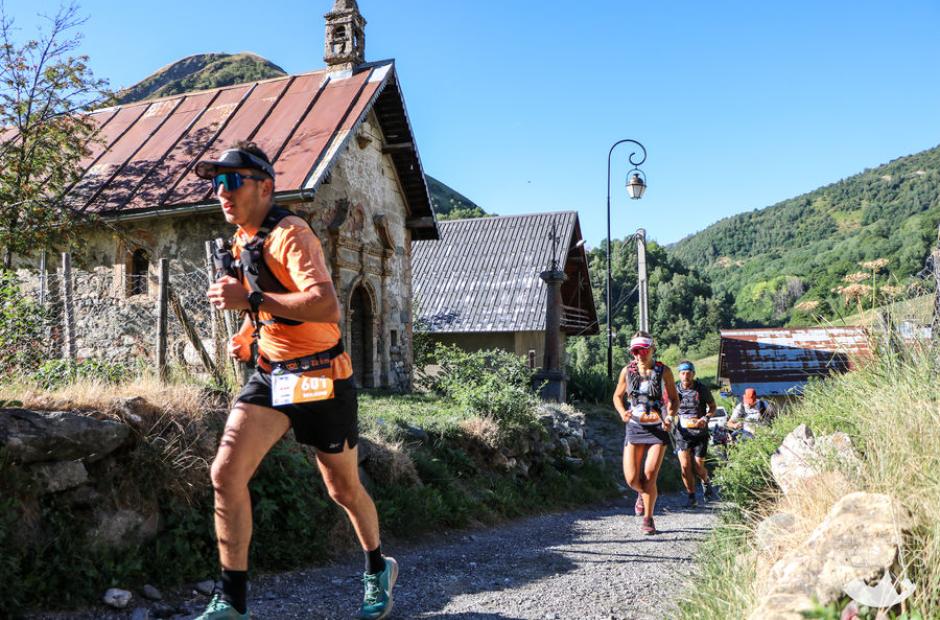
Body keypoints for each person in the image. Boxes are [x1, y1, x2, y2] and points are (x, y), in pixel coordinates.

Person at [195, 142, 396, 620]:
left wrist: (250, 300)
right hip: (271, 376)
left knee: (342, 488)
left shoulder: (292, 234)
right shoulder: (243, 242)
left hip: (320, 377)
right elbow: (267, 307)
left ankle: (377, 568)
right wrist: (247, 334)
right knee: (225, 473)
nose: (221, 193)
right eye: (215, 184)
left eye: (231, 181)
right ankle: (232, 600)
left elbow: (325, 305)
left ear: (265, 186)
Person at [613, 331, 679, 535]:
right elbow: (617, 396)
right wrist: (623, 412)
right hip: (634, 426)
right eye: (635, 351)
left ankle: (648, 519)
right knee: (632, 479)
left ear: (652, 349)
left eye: (643, 350)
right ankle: (641, 494)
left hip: (658, 427)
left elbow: (674, 400)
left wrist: (669, 417)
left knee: (650, 475)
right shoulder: (627, 371)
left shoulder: (664, 371)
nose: (639, 355)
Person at [671, 360, 717, 508]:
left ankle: (706, 481)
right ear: (679, 375)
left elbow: (712, 406)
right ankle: (691, 497)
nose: (686, 376)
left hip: (700, 433)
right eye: (683, 373)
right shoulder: (675, 390)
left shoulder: (701, 389)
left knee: (698, 467)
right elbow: (668, 407)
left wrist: (705, 418)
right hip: (682, 433)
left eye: (689, 373)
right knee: (685, 466)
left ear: (693, 374)